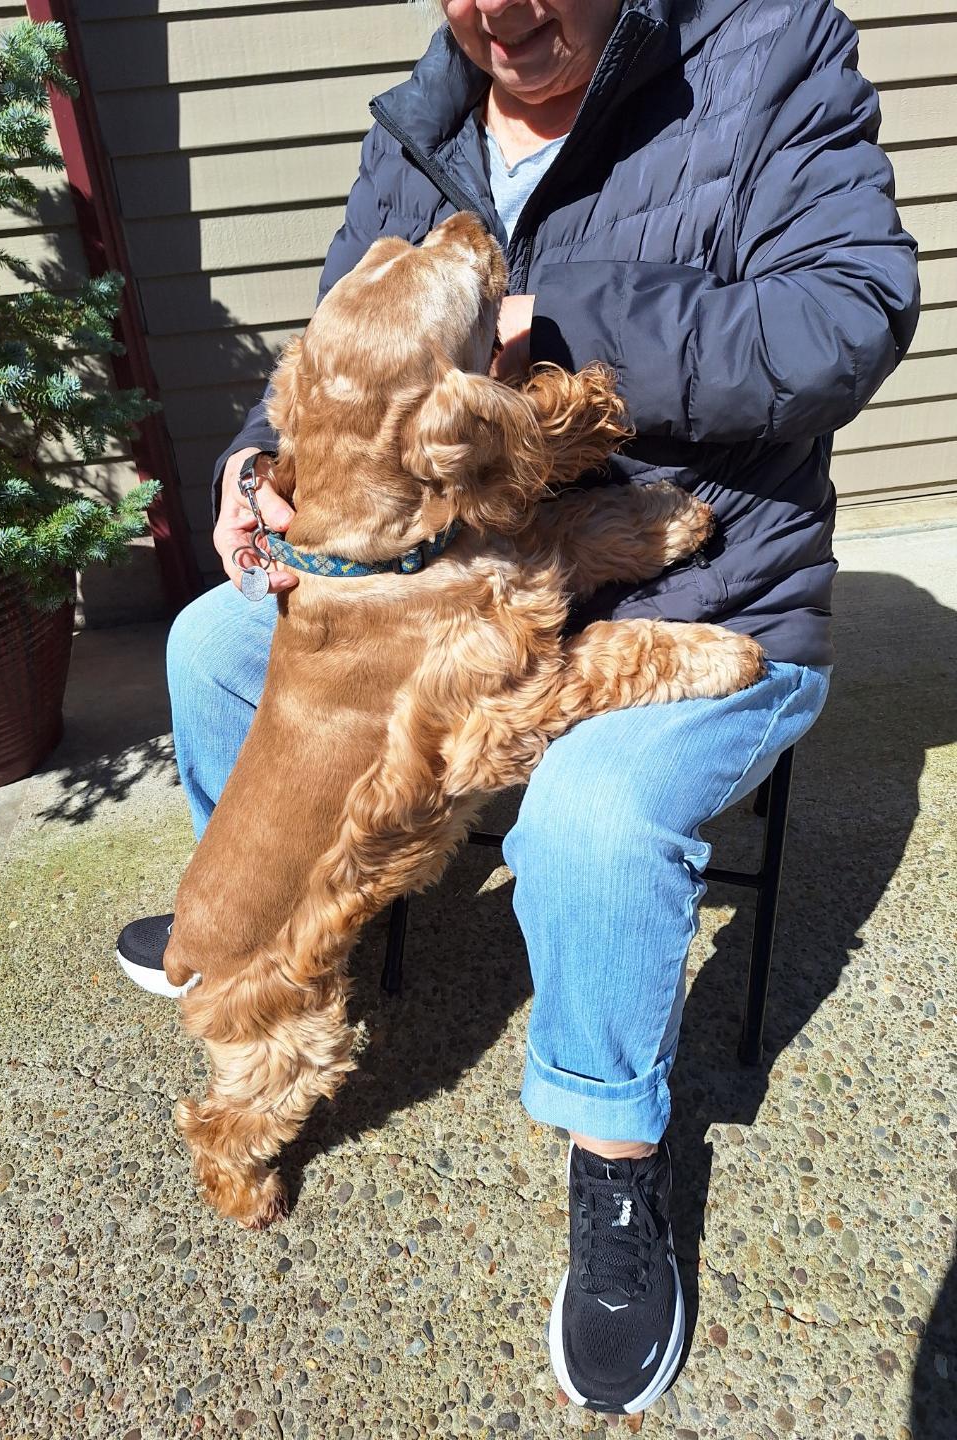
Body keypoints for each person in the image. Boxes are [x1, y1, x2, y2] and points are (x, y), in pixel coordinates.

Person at [116, 0, 918, 1415]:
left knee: (588, 821)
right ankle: (252, 931)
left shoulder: (774, 48)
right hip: (454, 576)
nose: (500, 14)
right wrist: (258, 476)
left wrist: (563, 323)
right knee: (204, 647)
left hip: (700, 581)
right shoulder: (425, 115)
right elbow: (331, 362)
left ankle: (616, 1166)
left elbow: (848, 320)